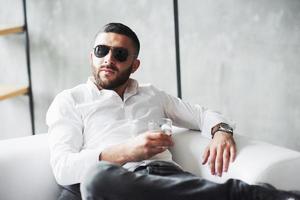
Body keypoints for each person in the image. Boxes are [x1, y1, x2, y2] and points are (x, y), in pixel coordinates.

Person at [46, 22, 299, 200]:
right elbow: (63, 168)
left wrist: (221, 131)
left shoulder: (152, 95)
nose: (109, 59)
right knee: (96, 178)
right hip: (111, 183)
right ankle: (249, 196)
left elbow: (202, 115)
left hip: (164, 177)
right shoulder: (70, 100)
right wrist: (128, 150)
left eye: (120, 54)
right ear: (92, 56)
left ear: (134, 65)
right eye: (102, 51)